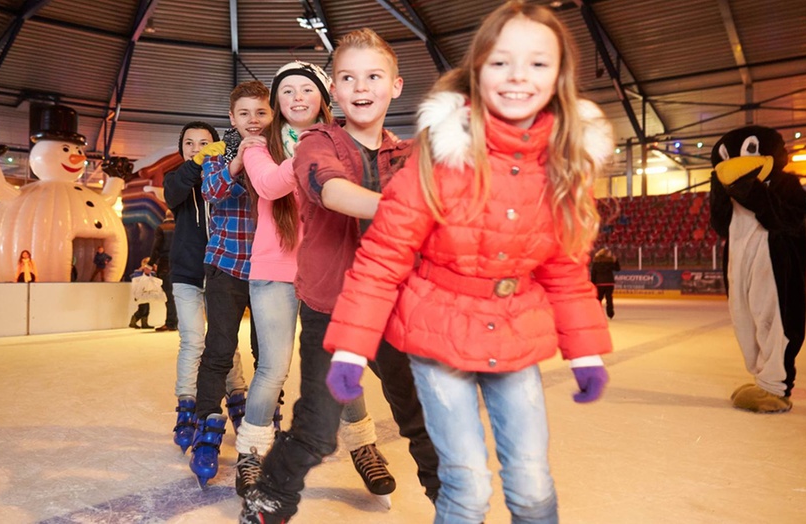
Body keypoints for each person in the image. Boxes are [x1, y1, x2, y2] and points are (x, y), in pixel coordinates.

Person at [322, 4, 615, 523]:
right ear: (478, 70)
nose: (519, 76)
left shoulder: (565, 163)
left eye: (538, 64)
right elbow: (385, 252)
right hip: (438, 338)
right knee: (467, 486)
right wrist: (351, 347)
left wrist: (586, 351)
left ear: (560, 77)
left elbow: (564, 270)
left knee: (529, 482)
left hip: (515, 333)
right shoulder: (439, 154)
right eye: (502, 62)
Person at [240, 29, 440, 524]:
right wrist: (407, 210)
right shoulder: (315, 143)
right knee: (317, 426)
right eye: (348, 77)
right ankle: (269, 501)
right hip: (333, 311)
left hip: (395, 310)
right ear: (336, 91)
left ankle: (456, 507)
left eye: (373, 76)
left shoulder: (412, 154)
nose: (361, 86)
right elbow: (332, 191)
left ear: (394, 85)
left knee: (424, 419)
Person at [189, 81, 271, 488]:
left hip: (270, 270)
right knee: (219, 348)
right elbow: (213, 191)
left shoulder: (280, 153)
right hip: (225, 266)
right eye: (245, 113)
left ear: (271, 115)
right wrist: (240, 158)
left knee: (266, 354)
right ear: (231, 118)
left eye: (261, 112)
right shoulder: (217, 154)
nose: (253, 120)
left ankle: (263, 423)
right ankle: (207, 423)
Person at [163, 121, 251, 453]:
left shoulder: (225, 178)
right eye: (189, 143)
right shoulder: (176, 178)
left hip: (221, 273)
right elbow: (175, 192)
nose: (196, 148)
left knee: (223, 342)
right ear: (181, 147)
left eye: (204, 143)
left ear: (216, 146)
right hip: (187, 275)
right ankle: (187, 405)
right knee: (192, 341)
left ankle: (238, 396)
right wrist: (195, 164)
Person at [709, 125, 806, 413]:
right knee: (743, 316)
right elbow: (720, 225)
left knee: (772, 317)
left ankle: (776, 387)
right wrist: (719, 191)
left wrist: (751, 192)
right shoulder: (730, 191)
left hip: (772, 260)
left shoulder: (785, 184)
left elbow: (790, 216)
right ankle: (762, 377)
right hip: (738, 260)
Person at [150, 209, 178, 331]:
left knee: (169, 295)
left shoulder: (161, 228)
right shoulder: (180, 227)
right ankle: (178, 322)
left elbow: (156, 247)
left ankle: (171, 322)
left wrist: (150, 264)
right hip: (180, 264)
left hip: (166, 264)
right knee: (179, 295)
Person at [129, 257, 162, 329]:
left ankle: (144, 323)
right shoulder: (139, 273)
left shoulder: (149, 273)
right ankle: (133, 321)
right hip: (141, 293)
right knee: (142, 309)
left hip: (146, 294)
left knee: (146, 309)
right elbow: (136, 279)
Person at [591, 247, 620, 319]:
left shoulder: (596, 263)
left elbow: (593, 274)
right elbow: (618, 269)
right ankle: (610, 313)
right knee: (609, 298)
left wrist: (593, 283)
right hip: (609, 283)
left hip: (600, 283)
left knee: (598, 299)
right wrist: (616, 261)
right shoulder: (609, 263)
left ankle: (596, 313)